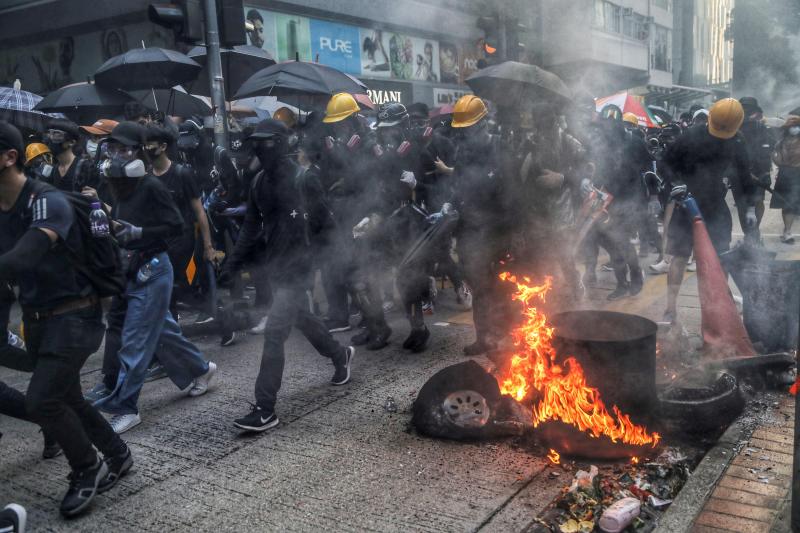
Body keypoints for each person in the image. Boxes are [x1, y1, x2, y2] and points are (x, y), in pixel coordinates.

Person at [0, 121, 132, 517]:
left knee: (43, 400)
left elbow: (25, 256)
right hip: (40, 319)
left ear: (9, 157)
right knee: (69, 397)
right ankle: (118, 453)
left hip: (77, 315)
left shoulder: (46, 201)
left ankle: (86, 468)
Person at [220, 119, 355, 433]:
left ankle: (265, 408)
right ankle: (340, 354)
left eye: (268, 143)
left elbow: (327, 225)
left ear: (281, 144)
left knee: (275, 332)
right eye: (257, 144)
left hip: (301, 268)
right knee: (301, 318)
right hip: (276, 266)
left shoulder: (305, 179)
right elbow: (251, 228)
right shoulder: (258, 184)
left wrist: (336, 262)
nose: (261, 150)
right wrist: (232, 263)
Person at [91, 122, 216, 434]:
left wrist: (141, 233)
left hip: (154, 269)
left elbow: (176, 225)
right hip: (132, 268)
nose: (116, 155)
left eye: (123, 149)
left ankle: (126, 408)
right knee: (163, 331)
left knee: (134, 341)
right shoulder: (119, 186)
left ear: (138, 153)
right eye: (113, 149)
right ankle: (202, 369)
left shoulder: (151, 186)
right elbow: (124, 221)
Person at [660, 98, 756, 324]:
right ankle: (670, 309)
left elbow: (744, 176)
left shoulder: (738, 142)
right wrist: (674, 183)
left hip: (716, 208)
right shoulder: (690, 136)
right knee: (680, 257)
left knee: (720, 260)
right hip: (686, 204)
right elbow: (664, 163)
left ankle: (718, 310)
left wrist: (750, 206)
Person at [450, 95, 509, 355]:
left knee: (498, 289)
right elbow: (459, 187)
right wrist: (451, 206)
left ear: (482, 124)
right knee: (479, 287)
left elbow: (510, 195)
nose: (464, 135)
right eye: (461, 130)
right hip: (469, 231)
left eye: (469, 128)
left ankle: (502, 338)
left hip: (495, 231)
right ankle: (484, 337)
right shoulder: (463, 152)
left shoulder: (500, 148)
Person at [145, 125, 217, 325]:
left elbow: (199, 211)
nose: (147, 148)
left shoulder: (181, 174)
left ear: (163, 147)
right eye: (145, 144)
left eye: (150, 144)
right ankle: (171, 330)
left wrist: (208, 246)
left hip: (182, 241)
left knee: (183, 288)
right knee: (164, 288)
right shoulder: (147, 176)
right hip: (158, 242)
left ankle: (222, 319)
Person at [738, 97, 774, 241]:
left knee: (758, 201)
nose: (747, 112)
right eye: (744, 109)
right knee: (742, 204)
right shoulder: (734, 128)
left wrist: (765, 172)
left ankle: (755, 231)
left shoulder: (762, 128)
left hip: (759, 173)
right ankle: (748, 233)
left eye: (749, 109)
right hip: (739, 172)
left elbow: (768, 150)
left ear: (756, 112)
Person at [769, 115, 800, 243]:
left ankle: (787, 231)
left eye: (797, 126)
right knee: (788, 204)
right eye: (792, 126)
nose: (795, 128)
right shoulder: (780, 142)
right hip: (786, 174)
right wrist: (773, 156)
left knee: (793, 204)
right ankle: (787, 231)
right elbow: (778, 160)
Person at [42, 118, 93, 192]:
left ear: (72, 142)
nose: (50, 138)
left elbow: (92, 200)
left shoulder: (86, 168)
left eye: (56, 134)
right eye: (48, 133)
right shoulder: (52, 170)